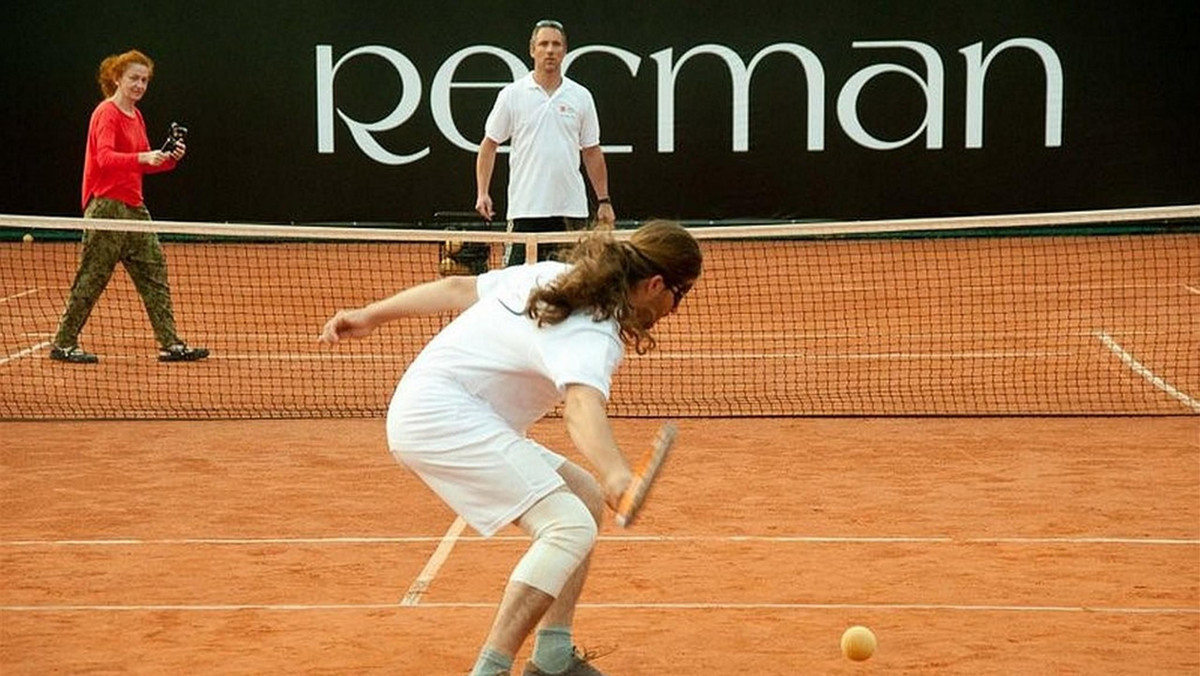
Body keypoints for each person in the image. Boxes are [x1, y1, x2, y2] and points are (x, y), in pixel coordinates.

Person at [320, 220, 701, 676]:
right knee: (568, 526)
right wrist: (616, 472)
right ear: (654, 284)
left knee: (581, 496)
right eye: (679, 294)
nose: (675, 309)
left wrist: (370, 314)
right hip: (441, 419)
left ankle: (553, 656)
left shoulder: (550, 277)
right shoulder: (592, 332)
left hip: (440, 408)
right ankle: (490, 669)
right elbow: (580, 408)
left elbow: (458, 287)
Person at [49, 49, 208, 364]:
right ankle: (63, 343)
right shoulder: (105, 113)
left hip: (135, 209)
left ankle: (170, 344)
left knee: (154, 273)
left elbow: (144, 164)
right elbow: (105, 158)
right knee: (92, 277)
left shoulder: (137, 116)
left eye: (144, 80)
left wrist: (167, 160)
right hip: (106, 208)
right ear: (117, 78)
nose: (139, 85)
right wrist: (143, 157)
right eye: (134, 78)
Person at [475, 19, 616, 267]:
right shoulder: (512, 95)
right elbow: (489, 145)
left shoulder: (581, 96)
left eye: (556, 44)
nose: (549, 50)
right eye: (543, 44)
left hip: (571, 212)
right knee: (516, 289)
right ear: (532, 50)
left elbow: (592, 151)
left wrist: (604, 201)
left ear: (564, 51)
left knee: (574, 288)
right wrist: (482, 192)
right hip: (525, 212)